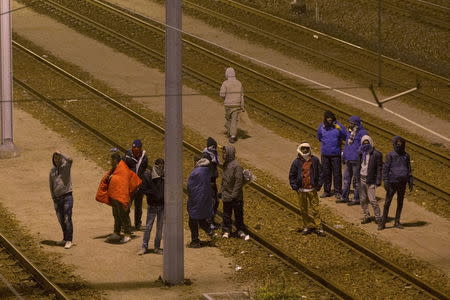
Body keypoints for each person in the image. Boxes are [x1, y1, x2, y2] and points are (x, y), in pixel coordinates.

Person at [96, 152, 142, 243]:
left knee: (123, 215)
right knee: (116, 214)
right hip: (115, 196)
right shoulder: (115, 169)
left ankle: (127, 234)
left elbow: (122, 182)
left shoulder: (122, 169)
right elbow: (111, 177)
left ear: (115, 160)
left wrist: (113, 178)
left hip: (121, 196)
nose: (110, 162)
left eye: (112, 160)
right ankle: (116, 232)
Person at [289, 143, 326, 237]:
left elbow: (321, 173)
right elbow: (292, 175)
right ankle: (307, 226)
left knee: (315, 209)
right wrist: (295, 187)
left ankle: (319, 227)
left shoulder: (315, 160)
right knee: (303, 209)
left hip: (312, 189)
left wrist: (318, 186)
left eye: (306, 148)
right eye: (303, 148)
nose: (305, 150)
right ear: (300, 149)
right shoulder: (296, 162)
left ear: (309, 149)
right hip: (301, 190)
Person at [379, 136, 413, 230]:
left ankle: (397, 221)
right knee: (387, 203)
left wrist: (410, 179)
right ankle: (383, 223)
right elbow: (385, 169)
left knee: (400, 202)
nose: (399, 146)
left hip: (402, 182)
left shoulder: (406, 155)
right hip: (392, 183)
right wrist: (385, 180)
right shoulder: (390, 155)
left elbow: (408, 168)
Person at [187, 154, 216, 248]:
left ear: (196, 162)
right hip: (205, 199)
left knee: (193, 220)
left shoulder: (196, 172)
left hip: (196, 200)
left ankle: (195, 241)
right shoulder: (206, 170)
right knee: (201, 218)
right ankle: (210, 230)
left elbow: (190, 186)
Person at [317, 111, 347, 200]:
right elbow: (319, 137)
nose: (329, 120)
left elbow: (345, 137)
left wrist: (339, 129)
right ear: (325, 118)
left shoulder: (339, 126)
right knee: (326, 173)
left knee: (337, 173)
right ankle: (327, 191)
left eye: (331, 118)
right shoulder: (321, 127)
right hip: (325, 154)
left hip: (336, 154)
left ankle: (338, 191)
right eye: (328, 118)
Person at [221, 145, 248, 240]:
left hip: (235, 196)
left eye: (225, 153)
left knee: (238, 214)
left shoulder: (237, 166)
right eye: (223, 152)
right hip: (226, 194)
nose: (223, 155)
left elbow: (238, 181)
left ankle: (240, 230)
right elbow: (224, 181)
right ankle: (226, 230)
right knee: (226, 214)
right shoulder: (226, 164)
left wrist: (234, 195)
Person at [138, 158, 165, 255]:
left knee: (160, 228)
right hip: (152, 206)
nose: (161, 168)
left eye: (163, 166)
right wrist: (153, 193)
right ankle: (144, 247)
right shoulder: (148, 175)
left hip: (162, 206)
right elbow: (142, 189)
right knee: (148, 227)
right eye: (159, 166)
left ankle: (157, 247)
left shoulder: (165, 176)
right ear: (156, 165)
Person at [340, 116, 368, 205]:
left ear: (356, 123)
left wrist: (359, 153)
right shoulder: (350, 131)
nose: (350, 124)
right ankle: (344, 197)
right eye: (350, 123)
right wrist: (344, 155)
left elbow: (364, 146)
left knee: (356, 180)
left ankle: (356, 198)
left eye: (352, 123)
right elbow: (346, 145)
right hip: (348, 158)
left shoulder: (363, 133)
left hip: (356, 159)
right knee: (346, 179)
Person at [49, 151, 74, 249]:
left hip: (67, 196)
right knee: (61, 220)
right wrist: (53, 197)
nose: (57, 159)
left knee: (67, 219)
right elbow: (51, 185)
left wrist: (61, 153)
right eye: (55, 158)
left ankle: (69, 240)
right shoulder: (52, 171)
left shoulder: (66, 167)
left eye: (58, 158)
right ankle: (64, 238)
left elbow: (70, 160)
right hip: (57, 198)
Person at [357, 135, 383, 228]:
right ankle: (366, 215)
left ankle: (378, 217)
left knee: (372, 200)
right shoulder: (361, 152)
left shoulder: (376, 154)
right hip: (361, 178)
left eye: (367, 142)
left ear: (371, 142)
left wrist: (378, 180)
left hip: (370, 180)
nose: (365, 144)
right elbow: (358, 165)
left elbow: (379, 168)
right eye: (364, 143)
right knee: (363, 199)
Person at [124, 139, 148, 231]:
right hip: (129, 185)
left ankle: (138, 224)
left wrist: (141, 182)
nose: (135, 152)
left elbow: (143, 169)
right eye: (134, 150)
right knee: (127, 205)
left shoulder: (144, 157)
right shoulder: (127, 157)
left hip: (139, 185)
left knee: (139, 206)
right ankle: (125, 224)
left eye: (137, 150)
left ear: (141, 149)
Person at [220, 67, 244, 144]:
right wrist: (242, 105)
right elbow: (242, 95)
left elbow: (222, 94)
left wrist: (225, 98)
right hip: (237, 105)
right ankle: (232, 133)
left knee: (228, 119)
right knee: (234, 120)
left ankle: (232, 134)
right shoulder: (239, 83)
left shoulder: (225, 83)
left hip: (228, 105)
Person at [202, 137, 220, 228]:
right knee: (212, 202)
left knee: (215, 201)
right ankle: (209, 222)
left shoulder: (213, 154)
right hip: (208, 181)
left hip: (213, 181)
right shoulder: (206, 156)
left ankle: (210, 220)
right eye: (215, 147)